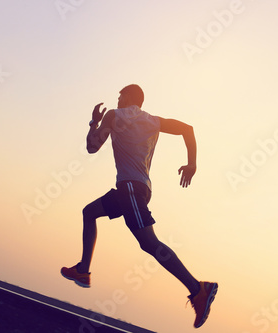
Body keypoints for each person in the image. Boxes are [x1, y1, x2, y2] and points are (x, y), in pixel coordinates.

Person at [61, 84, 217, 328]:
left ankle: (198, 289)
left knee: (149, 243)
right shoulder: (154, 121)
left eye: (120, 95)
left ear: (130, 97)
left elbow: (92, 147)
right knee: (89, 212)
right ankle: (83, 270)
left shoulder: (114, 115)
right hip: (138, 189)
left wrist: (94, 122)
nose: (118, 99)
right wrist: (192, 164)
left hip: (130, 190)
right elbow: (188, 129)